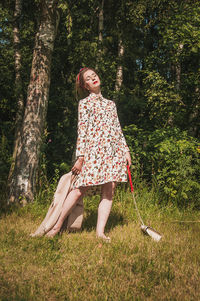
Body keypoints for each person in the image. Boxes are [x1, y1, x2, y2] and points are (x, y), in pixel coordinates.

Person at [46, 67, 131, 240]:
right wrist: (81, 157)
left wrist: (126, 151)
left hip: (112, 153)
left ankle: (100, 232)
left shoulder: (110, 104)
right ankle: (56, 226)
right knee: (79, 189)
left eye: (94, 75)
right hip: (92, 153)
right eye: (88, 78)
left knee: (109, 190)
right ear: (85, 86)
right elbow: (82, 131)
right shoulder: (84, 104)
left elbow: (117, 130)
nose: (93, 79)